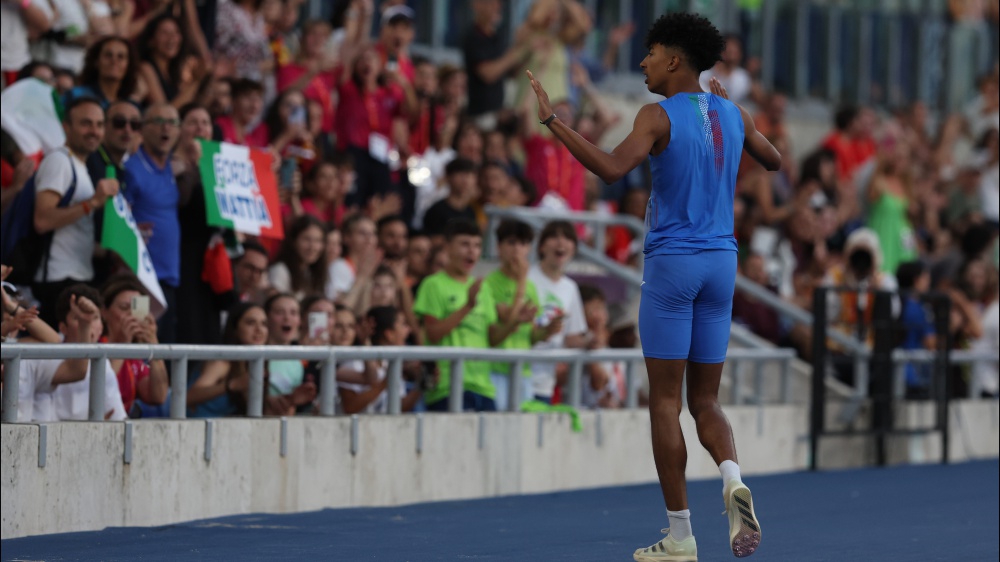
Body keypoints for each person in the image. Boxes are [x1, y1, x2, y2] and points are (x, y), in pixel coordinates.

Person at [527, 12, 781, 560]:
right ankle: (732, 477)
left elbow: (613, 169)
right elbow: (774, 160)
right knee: (706, 400)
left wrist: (554, 122)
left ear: (673, 59)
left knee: (665, 403)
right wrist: (734, 117)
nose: (642, 62)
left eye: (650, 52)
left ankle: (682, 536)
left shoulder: (657, 115)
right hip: (722, 265)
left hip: (673, 265)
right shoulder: (732, 111)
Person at [31, 97, 120, 327]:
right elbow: (42, 220)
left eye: (100, 124)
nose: (94, 131)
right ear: (66, 126)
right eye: (86, 123)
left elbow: (76, 234)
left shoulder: (80, 166)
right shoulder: (59, 161)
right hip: (58, 281)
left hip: (77, 277)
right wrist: (92, 203)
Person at [413, 218, 499, 412]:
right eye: (465, 244)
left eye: (477, 246)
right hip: (447, 388)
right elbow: (433, 333)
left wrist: (515, 320)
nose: (472, 251)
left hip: (484, 387)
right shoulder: (432, 284)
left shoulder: (483, 287)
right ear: (447, 247)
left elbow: (493, 338)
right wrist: (467, 307)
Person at [123, 103, 182, 343]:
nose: (166, 128)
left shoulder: (172, 168)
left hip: (169, 280)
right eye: (158, 121)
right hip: (141, 283)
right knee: (141, 346)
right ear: (143, 129)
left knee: (164, 352)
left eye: (172, 123)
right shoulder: (131, 168)